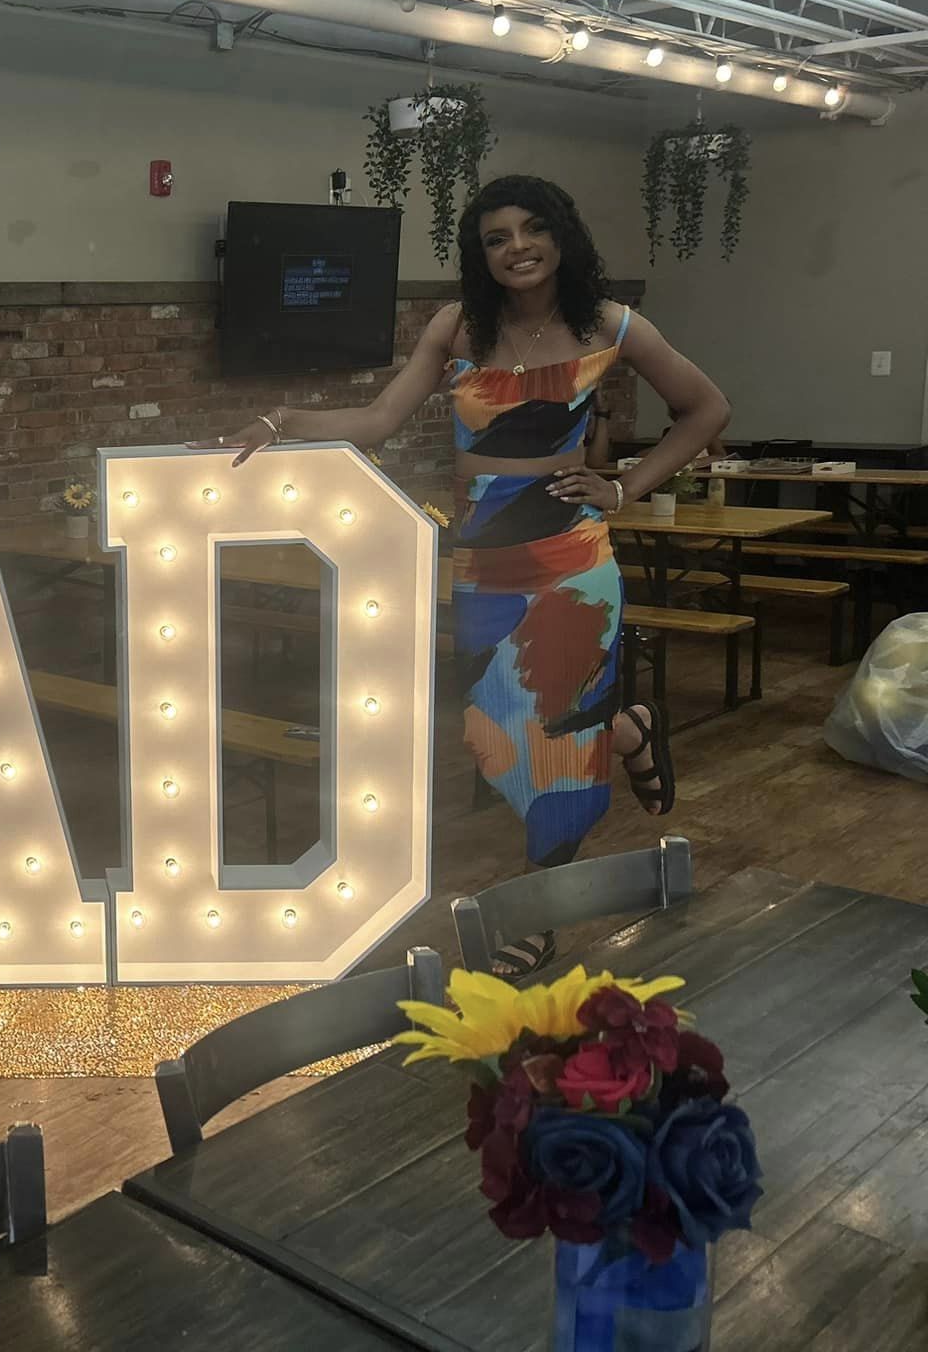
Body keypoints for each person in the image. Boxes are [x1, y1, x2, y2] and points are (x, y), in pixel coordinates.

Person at [200, 174, 731, 976]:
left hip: (571, 560)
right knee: (492, 735)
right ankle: (628, 732)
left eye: (532, 229)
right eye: (496, 238)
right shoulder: (457, 327)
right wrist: (282, 421)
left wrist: (624, 489)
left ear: (561, 235)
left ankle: (538, 912)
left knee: (558, 743)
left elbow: (706, 407)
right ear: (479, 255)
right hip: (483, 560)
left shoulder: (609, 323)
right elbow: (378, 419)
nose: (517, 247)